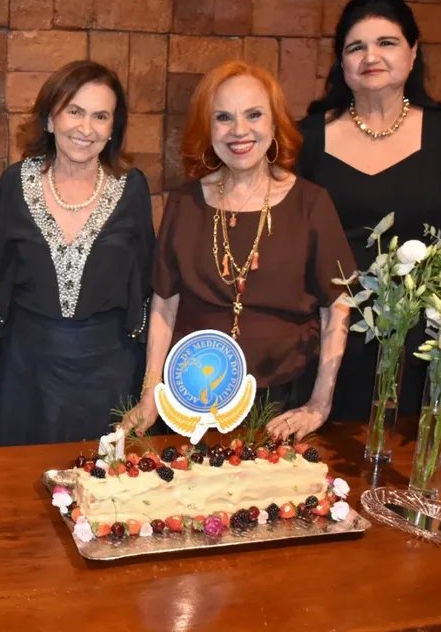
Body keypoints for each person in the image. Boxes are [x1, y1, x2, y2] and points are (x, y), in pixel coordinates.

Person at [124, 61, 355, 442]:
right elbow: (165, 304)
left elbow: (337, 307)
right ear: (208, 128)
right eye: (224, 117)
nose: (239, 130)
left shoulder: (311, 203)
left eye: (253, 114)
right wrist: (150, 395)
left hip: (280, 405)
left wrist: (319, 403)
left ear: (275, 122)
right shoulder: (184, 203)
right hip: (188, 405)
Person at [298, 0, 441, 421]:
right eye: (356, 46)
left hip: (419, 341)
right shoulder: (306, 137)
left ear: (413, 51)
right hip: (322, 335)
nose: (371, 56)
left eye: (386, 42)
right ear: (341, 62)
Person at [0, 61, 155, 446]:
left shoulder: (132, 189)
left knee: (107, 481)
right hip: (25, 376)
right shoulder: (14, 185)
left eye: (100, 116)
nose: (86, 128)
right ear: (49, 118)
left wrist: (149, 387)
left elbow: (148, 288)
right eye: (74, 111)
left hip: (111, 378)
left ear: (113, 128)